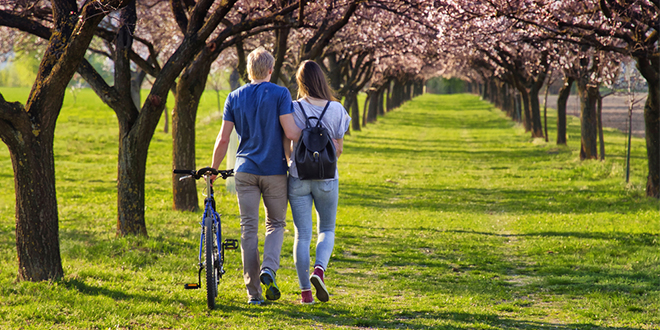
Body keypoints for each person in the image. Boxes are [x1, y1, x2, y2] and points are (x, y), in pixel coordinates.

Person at [211, 47, 301, 305]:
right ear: (271, 70)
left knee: (248, 229)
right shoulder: (281, 93)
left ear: (248, 71)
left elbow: (224, 138)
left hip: (245, 171)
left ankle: (253, 294)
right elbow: (291, 132)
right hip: (274, 171)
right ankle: (268, 270)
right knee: (275, 224)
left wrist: (214, 169)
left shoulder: (234, 96)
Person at [287, 60, 351, 305]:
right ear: (322, 80)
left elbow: (288, 139)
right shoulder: (337, 110)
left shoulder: (292, 108)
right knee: (326, 229)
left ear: (300, 82)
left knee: (302, 235)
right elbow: (339, 150)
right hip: (327, 178)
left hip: (298, 177)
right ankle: (319, 271)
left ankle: (305, 294)